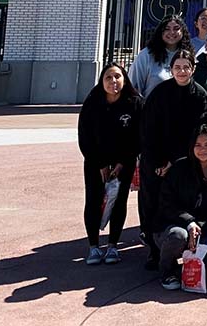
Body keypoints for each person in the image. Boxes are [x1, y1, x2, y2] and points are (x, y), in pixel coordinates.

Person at [140, 50, 207, 270]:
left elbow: (198, 132)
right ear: (171, 70)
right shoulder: (159, 94)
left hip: (184, 160)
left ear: (193, 69)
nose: (182, 71)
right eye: (177, 67)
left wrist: (174, 161)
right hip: (156, 160)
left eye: (186, 67)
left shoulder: (199, 95)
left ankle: (185, 244)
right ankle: (154, 249)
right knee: (151, 203)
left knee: (182, 203)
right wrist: (159, 161)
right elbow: (148, 129)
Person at [78, 63, 143, 266]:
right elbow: (85, 137)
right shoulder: (92, 103)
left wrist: (122, 163)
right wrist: (100, 164)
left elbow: (139, 137)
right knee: (94, 201)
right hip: (96, 164)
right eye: (108, 77)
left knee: (119, 202)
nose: (113, 82)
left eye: (117, 77)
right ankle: (94, 246)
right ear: (101, 81)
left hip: (123, 163)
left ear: (124, 79)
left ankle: (113, 245)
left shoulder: (134, 103)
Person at [154, 125, 207, 290]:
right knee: (178, 236)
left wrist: (199, 229)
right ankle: (166, 272)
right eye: (198, 145)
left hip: (203, 229)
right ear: (191, 147)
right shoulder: (179, 168)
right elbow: (166, 204)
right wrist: (189, 223)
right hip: (171, 225)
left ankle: (186, 270)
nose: (203, 149)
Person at [128, 15, 194, 97]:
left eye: (176, 29)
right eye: (167, 29)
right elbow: (133, 87)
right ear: (160, 32)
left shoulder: (188, 55)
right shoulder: (146, 55)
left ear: (183, 31)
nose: (172, 32)